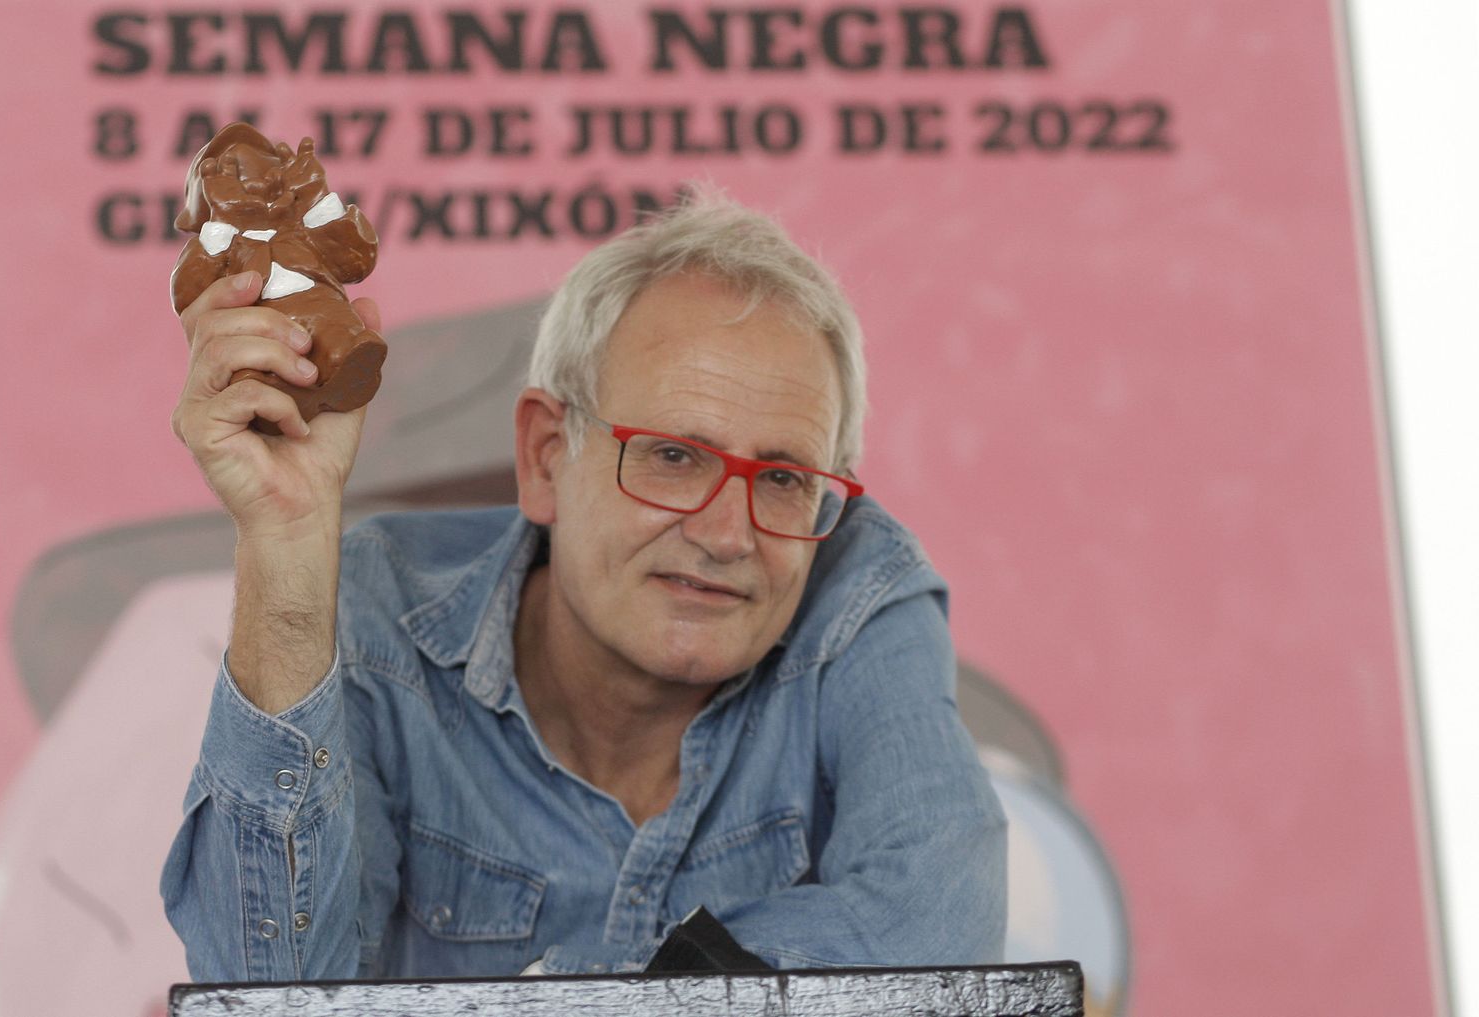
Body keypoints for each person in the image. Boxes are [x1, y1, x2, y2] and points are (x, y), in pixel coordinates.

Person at [160, 193, 1007, 980]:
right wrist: (285, 540)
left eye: (783, 477)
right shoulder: (377, 615)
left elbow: (934, 929)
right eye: (673, 457)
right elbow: (266, 993)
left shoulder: (852, 583)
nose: (726, 534)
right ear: (544, 456)